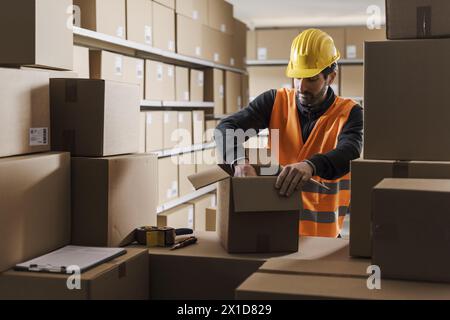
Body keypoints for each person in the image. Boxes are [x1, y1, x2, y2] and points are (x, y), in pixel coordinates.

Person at [215, 29, 363, 238]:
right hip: (276, 228)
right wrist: (239, 161)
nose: (301, 87)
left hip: (323, 238)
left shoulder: (350, 112)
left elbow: (350, 151)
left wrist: (311, 166)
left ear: (331, 77)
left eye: (311, 79)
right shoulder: (275, 101)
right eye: (296, 77)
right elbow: (226, 128)